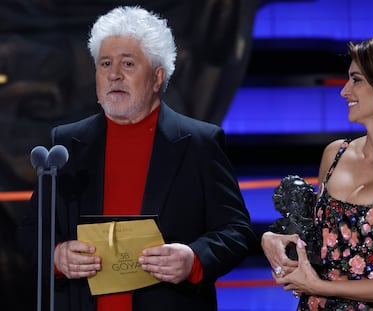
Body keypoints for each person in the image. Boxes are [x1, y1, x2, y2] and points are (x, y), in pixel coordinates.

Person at [17, 5, 257, 311]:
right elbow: (30, 231)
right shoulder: (66, 144)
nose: (113, 74)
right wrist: (56, 255)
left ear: (157, 78)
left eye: (127, 63)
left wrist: (194, 258)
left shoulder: (199, 143)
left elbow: (237, 231)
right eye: (105, 64)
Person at [261, 33, 373, 311]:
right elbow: (317, 240)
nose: (344, 91)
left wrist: (318, 287)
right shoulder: (335, 154)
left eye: (356, 80)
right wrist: (272, 239)